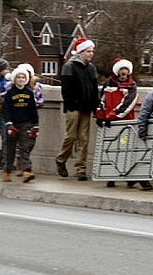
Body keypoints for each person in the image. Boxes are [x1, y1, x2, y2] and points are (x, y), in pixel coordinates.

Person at [95, 58, 147, 189]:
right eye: (122, 70)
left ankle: (129, 177)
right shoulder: (108, 84)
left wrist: (112, 116)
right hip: (109, 124)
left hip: (125, 125)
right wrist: (100, 116)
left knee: (125, 149)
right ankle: (111, 176)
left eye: (126, 70)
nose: (124, 72)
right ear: (118, 71)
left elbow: (127, 105)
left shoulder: (132, 86)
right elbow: (102, 101)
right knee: (110, 149)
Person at [56, 37, 99, 181]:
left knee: (84, 139)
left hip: (86, 108)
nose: (90, 54)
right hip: (73, 107)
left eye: (92, 51)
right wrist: (71, 104)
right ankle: (61, 159)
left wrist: (95, 106)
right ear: (80, 52)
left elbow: (94, 89)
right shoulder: (69, 66)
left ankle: (81, 168)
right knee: (71, 136)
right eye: (88, 51)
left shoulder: (91, 68)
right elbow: (66, 89)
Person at [2, 66, 39, 183]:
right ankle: (7, 171)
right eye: (19, 77)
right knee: (10, 149)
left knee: (24, 148)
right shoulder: (9, 94)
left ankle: (27, 171)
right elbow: (6, 111)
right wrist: (9, 124)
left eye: (23, 77)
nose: (21, 80)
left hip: (25, 124)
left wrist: (36, 125)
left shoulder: (29, 93)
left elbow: (33, 110)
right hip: (13, 125)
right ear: (14, 79)